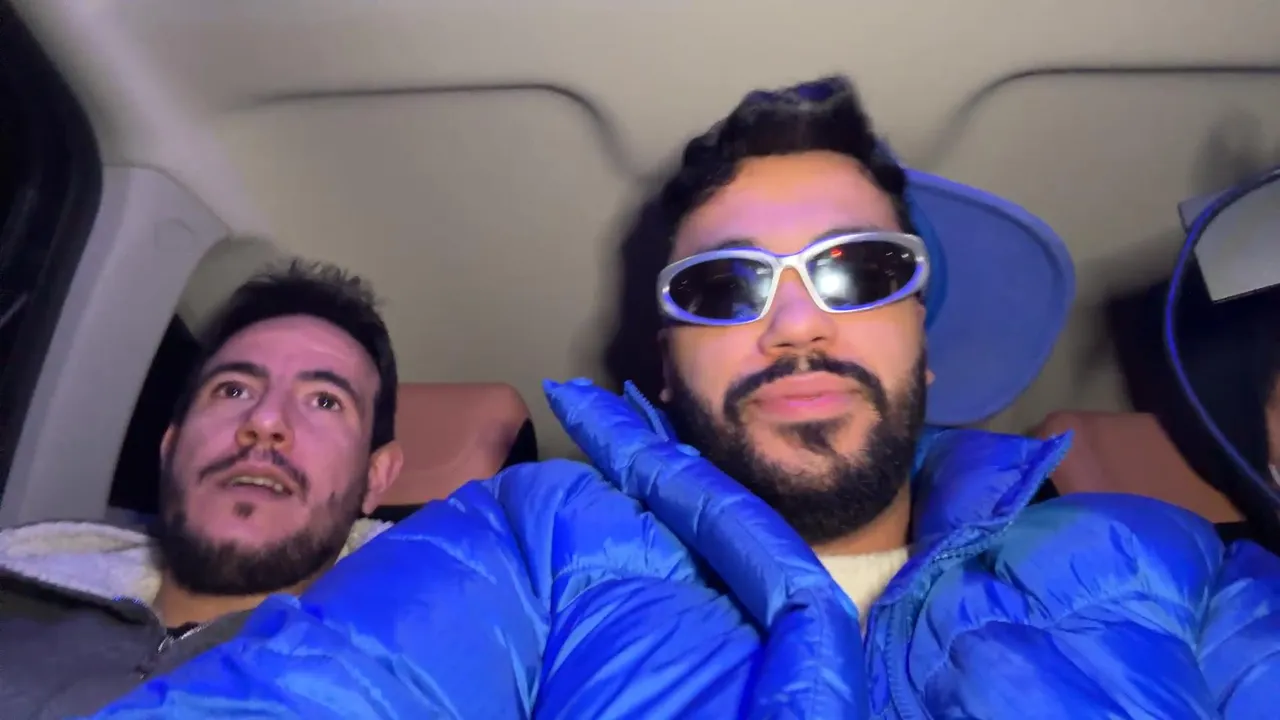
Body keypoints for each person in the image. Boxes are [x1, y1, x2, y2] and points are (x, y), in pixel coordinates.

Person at [95, 77, 1280, 718]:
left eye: (858, 271)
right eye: (723, 285)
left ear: (924, 347)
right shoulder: (534, 543)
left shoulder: (1163, 562)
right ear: (666, 367)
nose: (794, 322)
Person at [0, 260, 406, 718]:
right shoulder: (16, 603)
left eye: (325, 401)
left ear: (375, 476)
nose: (264, 421)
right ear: (170, 446)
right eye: (233, 390)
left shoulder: (397, 690)